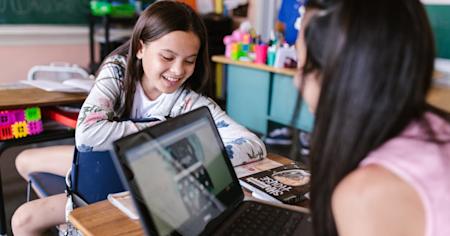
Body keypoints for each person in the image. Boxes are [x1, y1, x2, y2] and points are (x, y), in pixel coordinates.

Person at [12, 1, 266, 235]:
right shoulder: (117, 72)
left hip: (133, 187)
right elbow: (87, 136)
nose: (178, 71)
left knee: (22, 219)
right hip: (103, 165)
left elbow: (253, 145)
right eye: (167, 57)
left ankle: (81, 215)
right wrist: (159, 130)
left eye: (189, 60)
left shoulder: (189, 102)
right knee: (23, 160)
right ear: (141, 48)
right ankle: (73, 216)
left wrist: (190, 153)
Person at [295, 0, 450, 235]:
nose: (296, 81)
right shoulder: (437, 129)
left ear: (340, 76)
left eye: (301, 64)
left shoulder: (366, 194)